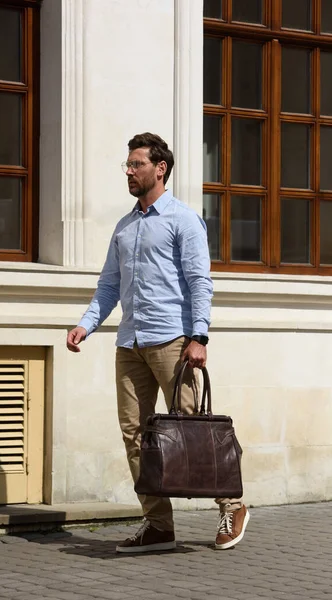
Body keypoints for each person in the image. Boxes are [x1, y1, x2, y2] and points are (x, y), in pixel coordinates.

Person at [67, 132, 249, 553]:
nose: (129, 172)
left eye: (137, 165)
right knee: (136, 434)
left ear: (159, 168)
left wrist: (199, 336)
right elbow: (109, 285)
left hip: (173, 340)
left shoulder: (183, 220)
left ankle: (232, 505)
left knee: (192, 426)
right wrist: (86, 324)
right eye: (128, 166)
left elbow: (199, 281)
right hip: (129, 343)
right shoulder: (125, 226)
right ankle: (158, 524)